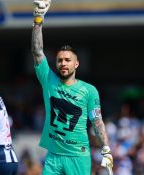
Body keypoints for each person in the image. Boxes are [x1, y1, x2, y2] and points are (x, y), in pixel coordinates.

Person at [31, 1, 114, 174]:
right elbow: (37, 51)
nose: (63, 63)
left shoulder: (89, 90)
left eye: (68, 60)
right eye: (60, 60)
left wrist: (106, 149)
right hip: (53, 155)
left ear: (76, 64)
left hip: (78, 156)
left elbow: (97, 121)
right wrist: (38, 20)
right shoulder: (49, 80)